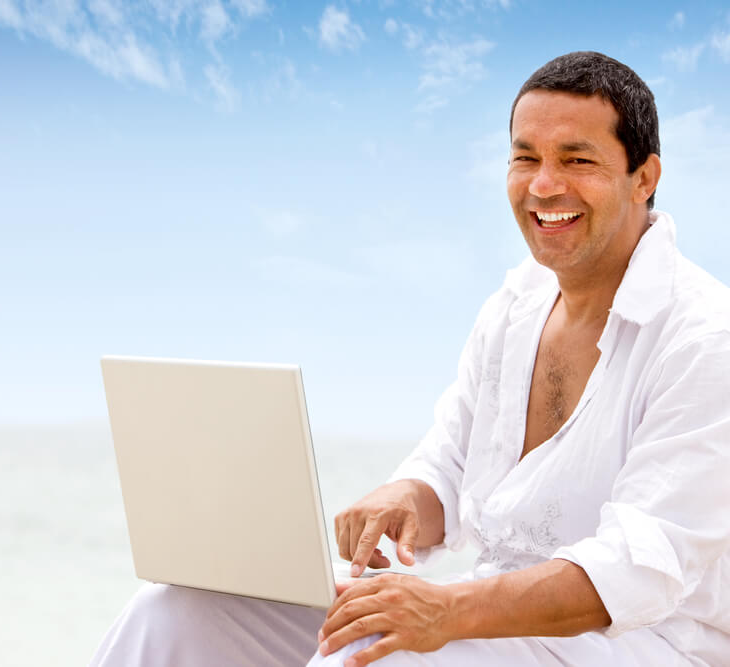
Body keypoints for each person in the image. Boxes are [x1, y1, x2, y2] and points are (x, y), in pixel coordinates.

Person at [90, 51, 730, 666]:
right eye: (525, 157)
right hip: (486, 624)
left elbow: (642, 569)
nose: (543, 184)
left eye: (576, 159)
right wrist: (405, 497)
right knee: (174, 613)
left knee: (368, 653)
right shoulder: (513, 308)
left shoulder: (703, 338)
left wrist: (447, 611)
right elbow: (448, 466)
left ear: (644, 177)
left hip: (639, 646)